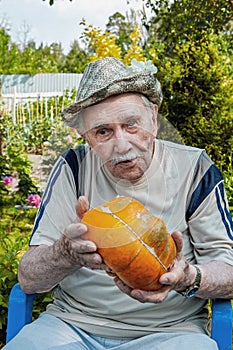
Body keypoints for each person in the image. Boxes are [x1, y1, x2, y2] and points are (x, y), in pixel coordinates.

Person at [4, 57, 233, 350]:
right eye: (103, 131)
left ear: (154, 116)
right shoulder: (73, 167)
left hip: (171, 332)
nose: (122, 145)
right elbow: (29, 278)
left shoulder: (194, 168)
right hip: (72, 325)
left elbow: (229, 269)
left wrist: (188, 276)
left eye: (131, 124)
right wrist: (66, 253)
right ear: (86, 137)